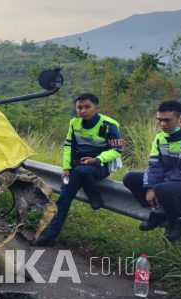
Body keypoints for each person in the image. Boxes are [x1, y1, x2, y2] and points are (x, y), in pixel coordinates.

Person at [33, 93, 123, 247]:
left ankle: (92, 193)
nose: (83, 111)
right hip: (79, 166)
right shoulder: (74, 123)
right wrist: (66, 168)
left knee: (82, 171)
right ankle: (50, 235)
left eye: (87, 107)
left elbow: (117, 150)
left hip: (100, 166)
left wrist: (97, 160)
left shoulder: (108, 124)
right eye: (79, 108)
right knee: (63, 198)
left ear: (96, 107)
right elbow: (69, 146)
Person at [122, 100, 181, 241]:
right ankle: (160, 212)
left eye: (167, 120)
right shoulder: (160, 137)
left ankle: (180, 219)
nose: (163, 124)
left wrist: (159, 186)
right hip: (170, 182)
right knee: (130, 178)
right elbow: (155, 165)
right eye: (159, 120)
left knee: (162, 188)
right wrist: (150, 187)